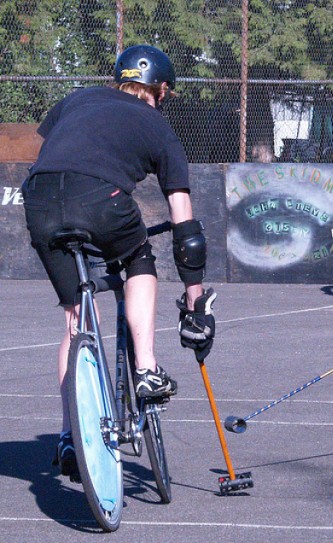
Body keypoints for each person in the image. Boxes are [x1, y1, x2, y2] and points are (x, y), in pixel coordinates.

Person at [22, 45, 216, 480]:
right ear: (161, 90)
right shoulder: (157, 125)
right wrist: (195, 300)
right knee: (138, 256)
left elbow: (51, 146)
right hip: (101, 199)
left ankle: (69, 434)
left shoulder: (77, 98)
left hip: (38, 200)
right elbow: (187, 232)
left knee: (75, 321)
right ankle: (145, 368)